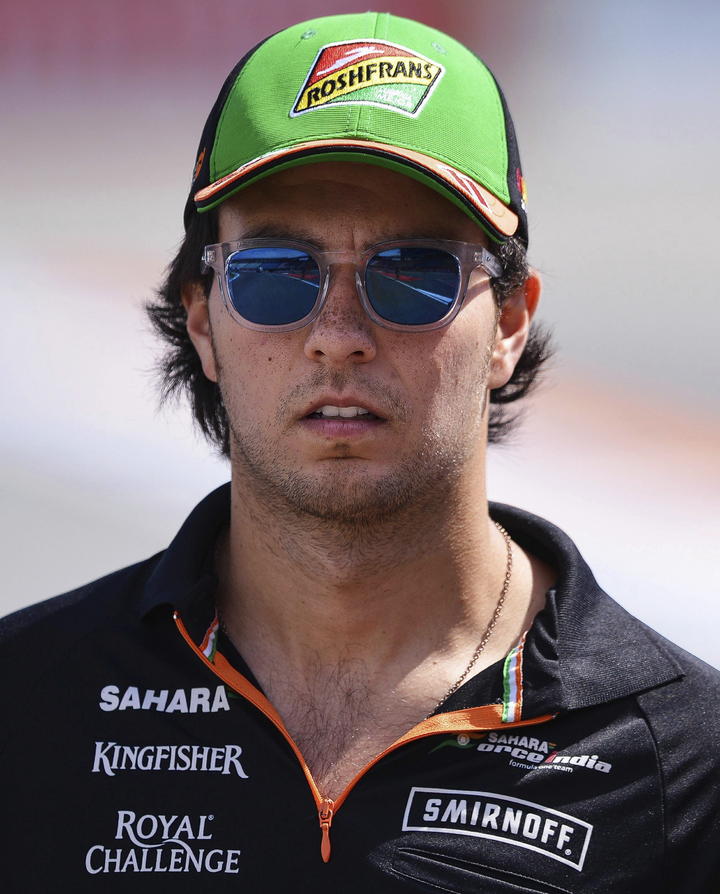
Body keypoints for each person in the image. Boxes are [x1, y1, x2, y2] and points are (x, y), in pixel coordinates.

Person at [2, 12, 718, 893]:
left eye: (413, 273)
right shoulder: (25, 705)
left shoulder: (686, 763)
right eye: (276, 272)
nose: (338, 334)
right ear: (202, 320)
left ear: (510, 324)